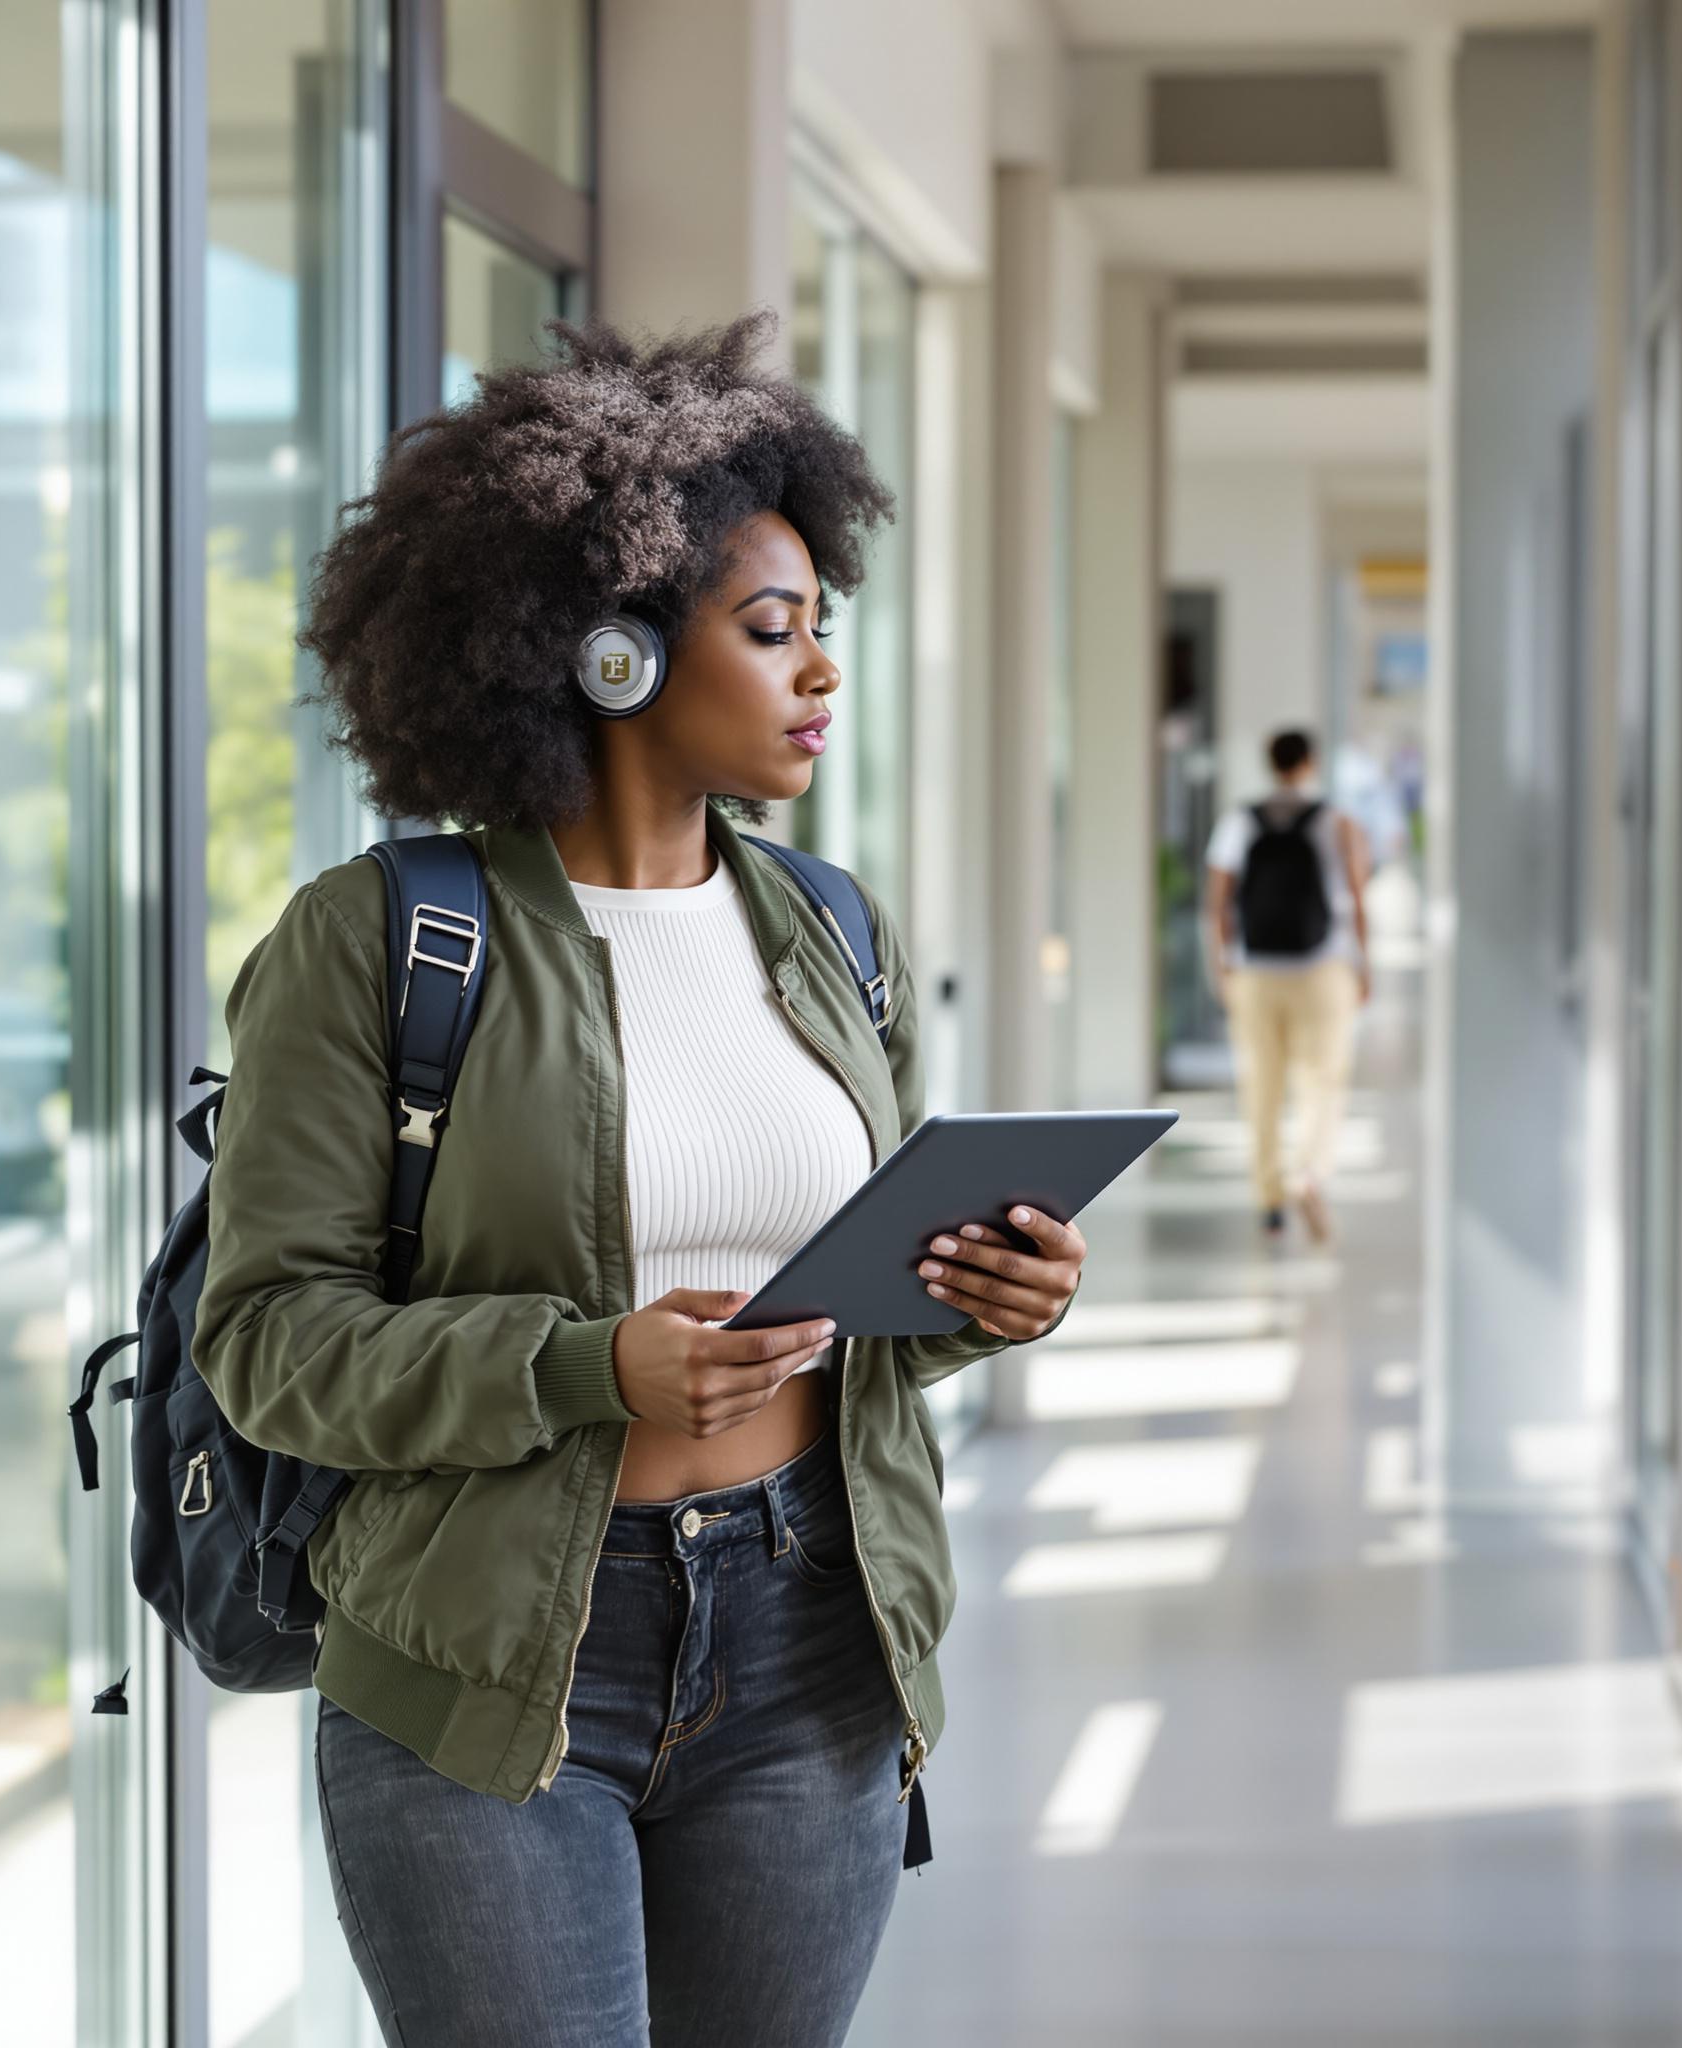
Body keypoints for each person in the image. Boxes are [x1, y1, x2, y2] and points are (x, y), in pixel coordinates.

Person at [191, 312, 1084, 2048]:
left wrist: (985, 1296)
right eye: (770, 630)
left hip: (814, 1625)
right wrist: (584, 1363)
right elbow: (272, 1340)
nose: (820, 671)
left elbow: (856, 1297)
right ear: (604, 653)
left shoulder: (837, 935)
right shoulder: (379, 942)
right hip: (489, 1657)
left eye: (824, 628)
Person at [1203, 728, 1371, 1245]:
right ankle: (1310, 1175)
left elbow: (1218, 904)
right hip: (1323, 970)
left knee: (1261, 1082)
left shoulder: (1239, 821)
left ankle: (1270, 1200)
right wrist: (1365, 966)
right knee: (1322, 1078)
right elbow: (1357, 897)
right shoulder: (1334, 821)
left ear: (1270, 763)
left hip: (1256, 971)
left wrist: (1224, 967)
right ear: (1311, 762)